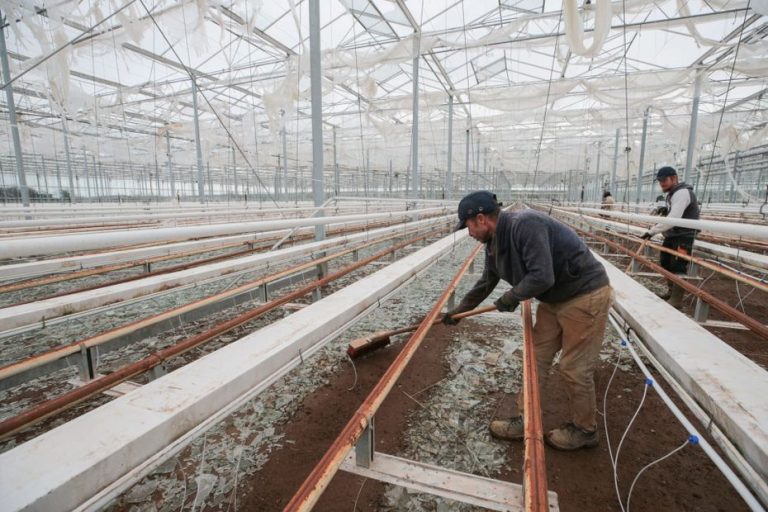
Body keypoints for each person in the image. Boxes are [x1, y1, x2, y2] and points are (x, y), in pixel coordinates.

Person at [443, 191, 612, 450]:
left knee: (574, 367)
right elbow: (487, 281)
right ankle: (526, 419)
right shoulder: (494, 244)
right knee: (535, 358)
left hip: (584, 294)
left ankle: (585, 429)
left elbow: (542, 276)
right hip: (554, 299)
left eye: (467, 227)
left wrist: (511, 297)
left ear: (480, 219)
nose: (468, 233)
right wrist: (458, 311)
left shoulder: (526, 225)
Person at [641, 166, 700, 309]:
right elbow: (669, 216)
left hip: (684, 237)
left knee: (678, 266)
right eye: (660, 181)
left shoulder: (682, 193)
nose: (662, 183)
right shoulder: (672, 194)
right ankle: (671, 292)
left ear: (674, 178)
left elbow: (673, 218)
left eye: (664, 180)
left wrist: (652, 231)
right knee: (666, 263)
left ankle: (676, 300)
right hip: (673, 235)